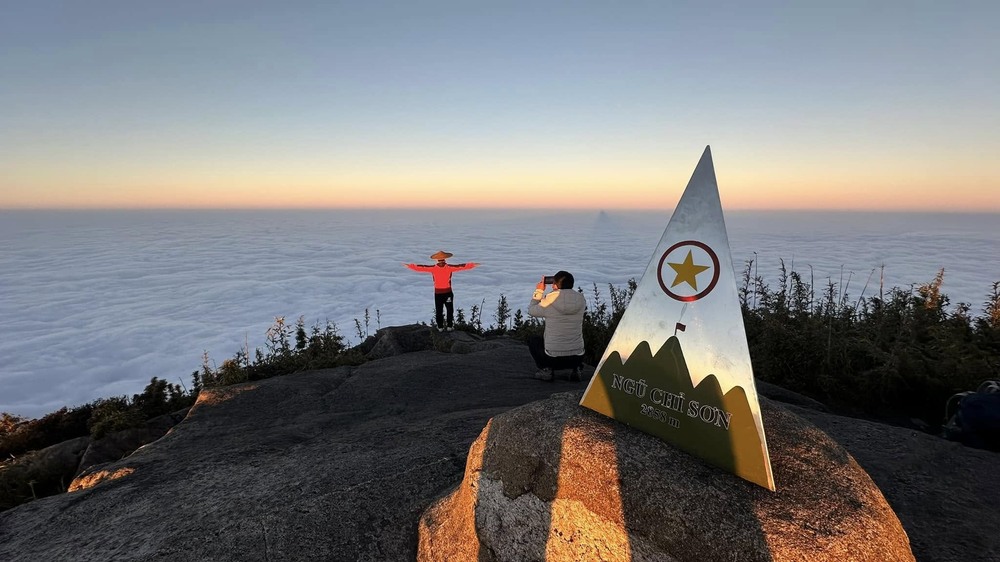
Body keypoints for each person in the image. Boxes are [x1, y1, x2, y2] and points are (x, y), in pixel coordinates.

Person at [527, 270, 587, 382]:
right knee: (575, 336)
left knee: (534, 340)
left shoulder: (549, 301)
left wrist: (539, 291)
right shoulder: (581, 300)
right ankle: (576, 369)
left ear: (554, 285)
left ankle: (546, 370)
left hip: (552, 359)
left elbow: (531, 311)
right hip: (577, 357)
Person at [404, 251, 480, 332]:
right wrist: (472, 265)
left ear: (437, 260)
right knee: (449, 309)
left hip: (438, 293)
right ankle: (449, 326)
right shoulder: (449, 267)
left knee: (439, 310)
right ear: (445, 259)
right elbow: (461, 266)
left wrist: (410, 266)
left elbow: (421, 267)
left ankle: (440, 327)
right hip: (447, 293)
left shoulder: (433, 268)